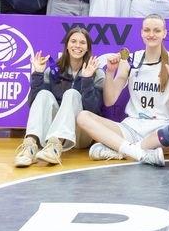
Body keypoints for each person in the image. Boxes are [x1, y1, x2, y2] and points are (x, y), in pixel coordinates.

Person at [76, 14, 169, 166]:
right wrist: (110, 72)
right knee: (83, 117)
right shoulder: (130, 59)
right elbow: (109, 100)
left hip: (161, 129)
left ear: (164, 33)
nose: (151, 34)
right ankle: (139, 153)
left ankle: (123, 150)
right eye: (147, 30)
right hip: (132, 127)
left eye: (157, 31)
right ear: (141, 33)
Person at [14, 27, 106, 168]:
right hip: (50, 134)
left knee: (72, 94)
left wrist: (87, 79)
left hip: (81, 134)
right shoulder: (52, 70)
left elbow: (93, 108)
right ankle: (30, 147)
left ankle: (55, 147)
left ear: (87, 48)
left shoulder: (96, 72)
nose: (77, 46)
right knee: (43, 94)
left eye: (82, 43)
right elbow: (35, 104)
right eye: (73, 41)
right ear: (67, 46)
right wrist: (38, 74)